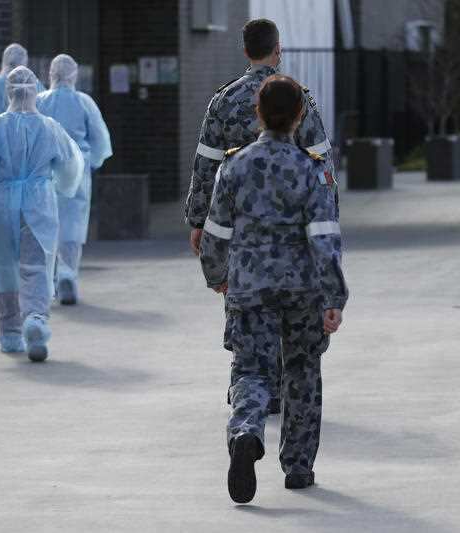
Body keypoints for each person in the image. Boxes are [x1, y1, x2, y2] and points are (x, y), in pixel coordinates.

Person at [200, 75, 348, 503]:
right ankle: (298, 466)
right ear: (300, 116)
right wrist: (333, 296)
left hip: (248, 285)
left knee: (251, 370)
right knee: (302, 370)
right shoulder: (311, 169)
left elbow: (216, 230)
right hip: (303, 290)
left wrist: (216, 275)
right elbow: (324, 236)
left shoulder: (235, 165)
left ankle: (246, 431)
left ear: (259, 114)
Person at [185, 18, 336, 414]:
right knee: (293, 313)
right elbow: (323, 163)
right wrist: (328, 223)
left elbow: (206, 165)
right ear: (277, 48)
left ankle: (250, 394)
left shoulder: (224, 100)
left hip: (239, 228)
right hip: (294, 228)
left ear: (245, 49)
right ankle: (283, 390)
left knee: (247, 313)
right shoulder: (296, 97)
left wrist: (199, 221)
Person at [0, 66, 84, 362]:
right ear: (35, 91)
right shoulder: (49, 126)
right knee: (37, 264)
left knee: (5, 267)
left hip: (2, 202)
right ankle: (35, 319)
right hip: (39, 201)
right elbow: (70, 168)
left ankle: (9, 333)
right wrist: (61, 186)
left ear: (8, 91)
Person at [37, 54, 113, 305]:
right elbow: (101, 140)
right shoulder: (84, 102)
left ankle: (47, 280)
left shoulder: (39, 101)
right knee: (72, 224)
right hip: (76, 170)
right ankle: (68, 273)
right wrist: (90, 163)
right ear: (74, 74)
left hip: (45, 172)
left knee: (44, 225)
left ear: (51, 74)